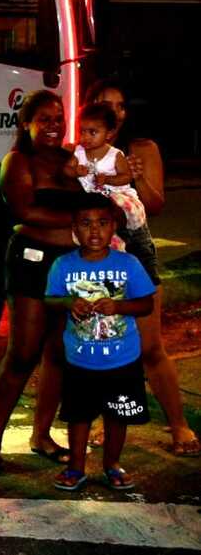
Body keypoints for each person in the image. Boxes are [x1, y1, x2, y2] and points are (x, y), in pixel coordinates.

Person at [86, 79, 199, 456]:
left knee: (151, 347)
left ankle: (178, 425)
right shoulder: (83, 149)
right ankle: (109, 420)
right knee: (107, 343)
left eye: (118, 105)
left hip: (134, 249)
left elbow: (156, 203)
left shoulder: (141, 149)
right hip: (98, 252)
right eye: (103, 103)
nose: (112, 110)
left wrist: (134, 176)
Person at [0, 90, 79, 474]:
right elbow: (24, 211)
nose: (54, 126)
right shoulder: (16, 161)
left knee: (59, 353)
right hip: (31, 264)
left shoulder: (74, 162)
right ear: (26, 123)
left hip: (71, 267)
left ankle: (42, 435)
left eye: (59, 118)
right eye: (45, 119)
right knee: (23, 352)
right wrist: (80, 224)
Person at [44, 194, 155, 491]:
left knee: (118, 416)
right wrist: (68, 302)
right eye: (86, 224)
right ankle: (76, 466)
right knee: (78, 416)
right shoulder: (62, 265)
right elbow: (50, 300)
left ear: (114, 227)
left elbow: (146, 304)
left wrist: (119, 307)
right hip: (80, 359)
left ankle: (112, 464)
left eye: (103, 223)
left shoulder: (128, 264)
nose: (94, 231)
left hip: (123, 359)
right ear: (74, 229)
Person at [65, 102, 147, 234]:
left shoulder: (115, 154)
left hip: (115, 195)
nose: (85, 137)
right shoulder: (78, 152)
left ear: (109, 133)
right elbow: (66, 169)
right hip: (92, 198)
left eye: (92, 132)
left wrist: (109, 179)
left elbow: (126, 177)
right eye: (82, 131)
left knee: (116, 210)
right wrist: (75, 171)